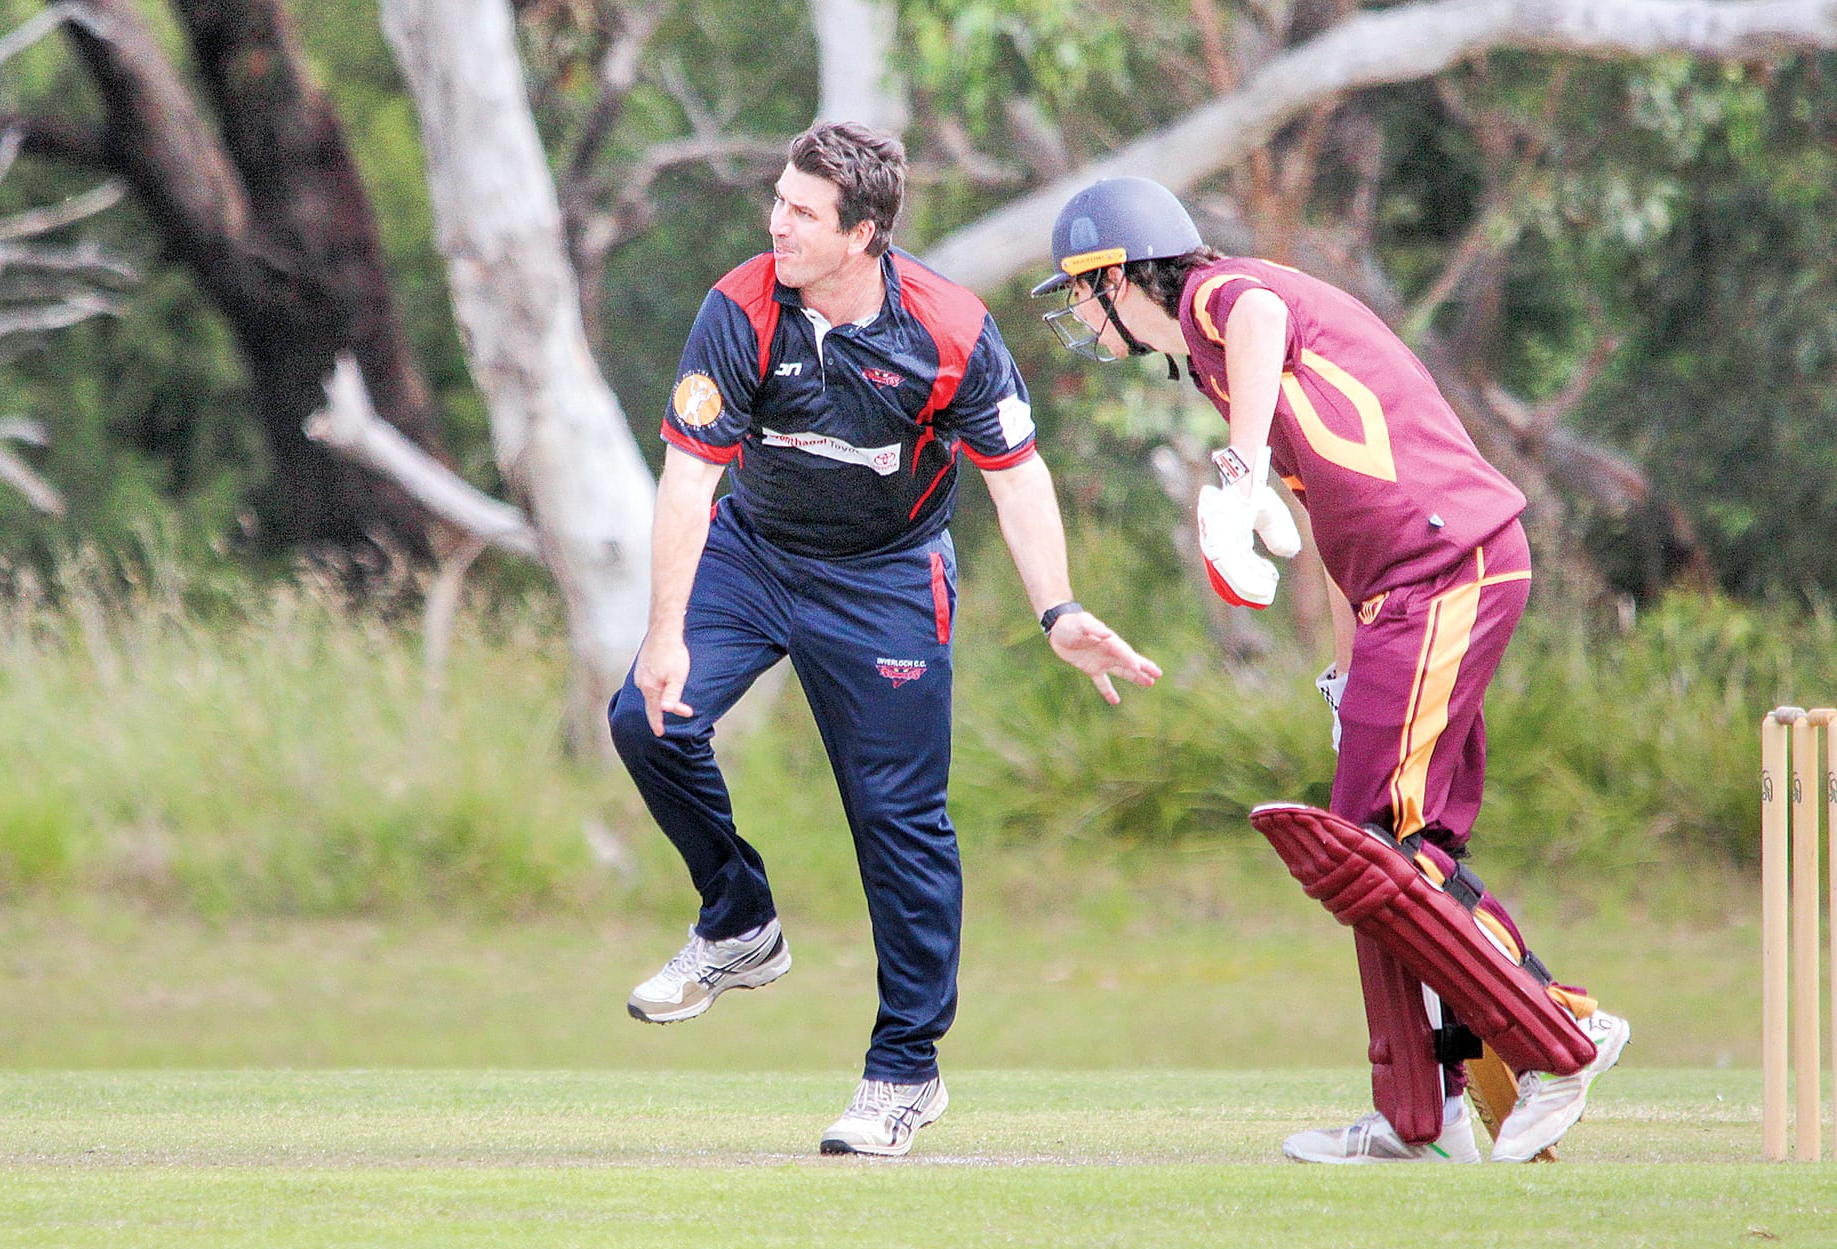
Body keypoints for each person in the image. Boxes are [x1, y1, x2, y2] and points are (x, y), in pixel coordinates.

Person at [1031, 176, 1629, 1164]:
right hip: (1408, 588)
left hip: (1446, 564)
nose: (1078, 320)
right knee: (1383, 846)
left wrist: (1236, 468)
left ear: (1116, 275)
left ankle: (1561, 1034)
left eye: (1078, 291)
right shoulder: (1215, 362)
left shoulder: (1218, 296)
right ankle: (1417, 1112)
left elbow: (1260, 312)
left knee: (1370, 844)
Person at [608, 124, 1161, 1157]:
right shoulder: (739, 308)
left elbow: (1016, 470)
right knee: (646, 718)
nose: (775, 222)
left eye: (801, 212)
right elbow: (688, 477)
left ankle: (903, 1070)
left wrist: (1059, 609)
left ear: (863, 234)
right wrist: (664, 631)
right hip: (755, 550)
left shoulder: (947, 328)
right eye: (776, 200)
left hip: (887, 581)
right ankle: (737, 921)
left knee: (896, 823)